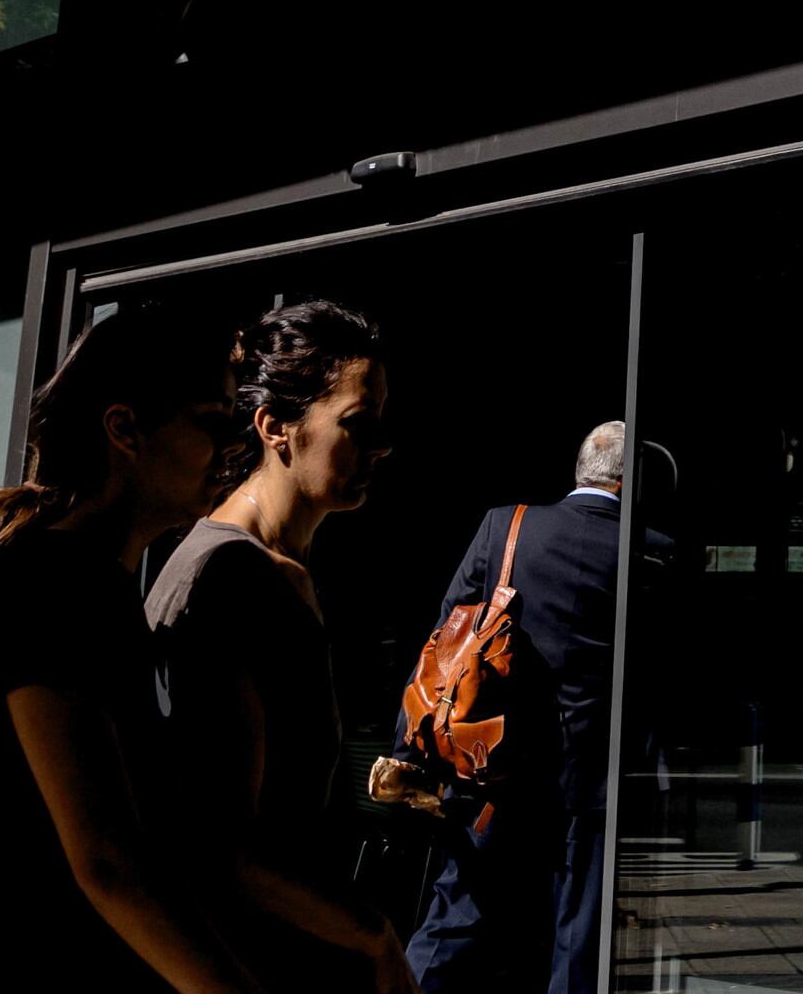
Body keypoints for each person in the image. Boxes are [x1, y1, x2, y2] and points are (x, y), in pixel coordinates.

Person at [0, 305, 270, 994]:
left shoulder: (93, 587)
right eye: (213, 421)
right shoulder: (55, 589)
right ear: (124, 429)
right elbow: (107, 861)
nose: (233, 446)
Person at [146, 299, 417, 994]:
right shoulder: (233, 577)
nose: (381, 447)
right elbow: (223, 849)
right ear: (275, 428)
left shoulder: (275, 569)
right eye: (357, 423)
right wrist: (374, 938)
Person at [404, 422, 643, 994]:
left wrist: (412, 750)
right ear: (629, 482)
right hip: (591, 778)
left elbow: (445, 643)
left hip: (496, 761)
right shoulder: (648, 550)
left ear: (582, 471)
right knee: (577, 939)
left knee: (457, 914)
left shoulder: (505, 526)